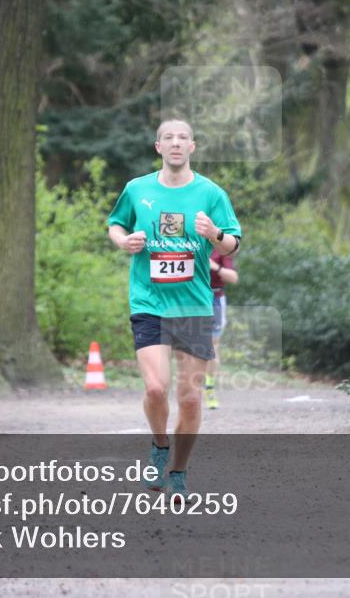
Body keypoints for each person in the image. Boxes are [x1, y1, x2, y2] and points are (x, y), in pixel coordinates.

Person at [107, 119, 242, 500]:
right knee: (154, 388)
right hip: (149, 302)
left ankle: (179, 471)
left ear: (193, 147)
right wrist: (124, 241)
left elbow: (233, 245)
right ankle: (158, 445)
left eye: (183, 138)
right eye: (169, 138)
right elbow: (115, 225)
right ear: (158, 147)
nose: (176, 143)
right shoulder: (137, 189)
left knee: (189, 397)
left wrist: (214, 235)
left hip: (194, 305)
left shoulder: (211, 193)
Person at [204, 251, 238, 409]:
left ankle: (209, 388)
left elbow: (233, 278)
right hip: (189, 298)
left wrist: (215, 267)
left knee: (211, 347)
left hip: (214, 299)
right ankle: (190, 388)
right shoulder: (186, 241)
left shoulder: (220, 248)